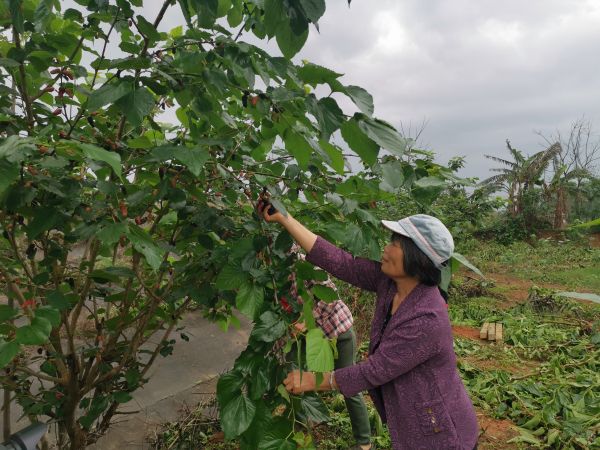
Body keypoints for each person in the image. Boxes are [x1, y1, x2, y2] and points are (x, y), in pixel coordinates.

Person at [258, 204, 479, 450]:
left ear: (417, 257)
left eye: (395, 244)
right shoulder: (390, 283)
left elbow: (374, 371)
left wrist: (313, 380)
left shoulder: (427, 318)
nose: (385, 249)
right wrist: (286, 219)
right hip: (414, 424)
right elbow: (342, 263)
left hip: (442, 433)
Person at [287, 244, 372, 450]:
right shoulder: (273, 274)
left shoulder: (304, 261)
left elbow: (331, 297)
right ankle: (301, 435)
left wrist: (307, 320)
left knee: (349, 385)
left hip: (337, 332)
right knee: (294, 378)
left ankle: (364, 444)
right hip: (306, 339)